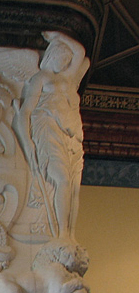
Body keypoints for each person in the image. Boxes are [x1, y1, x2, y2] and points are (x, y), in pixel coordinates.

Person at [13, 31, 89, 242]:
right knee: (62, 179)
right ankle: (61, 234)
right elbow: (24, 113)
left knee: (73, 187)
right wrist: (27, 141)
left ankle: (70, 236)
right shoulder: (41, 78)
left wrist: (58, 36)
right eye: (61, 57)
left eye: (66, 59)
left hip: (71, 135)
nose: (64, 62)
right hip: (48, 131)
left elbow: (80, 53)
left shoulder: (68, 77)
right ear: (51, 55)